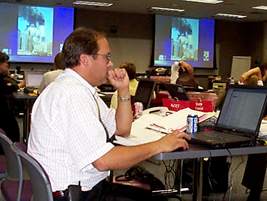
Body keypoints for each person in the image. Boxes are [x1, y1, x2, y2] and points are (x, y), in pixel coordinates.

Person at [27, 27, 191, 201]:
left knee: (153, 191)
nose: (110, 64)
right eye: (107, 57)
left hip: (76, 187)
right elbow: (103, 160)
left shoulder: (78, 89)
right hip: (75, 194)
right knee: (157, 196)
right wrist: (159, 145)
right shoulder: (72, 95)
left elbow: (122, 128)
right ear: (85, 60)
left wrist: (123, 90)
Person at [239, 66, 267, 201]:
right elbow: (257, 71)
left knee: (261, 150)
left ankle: (254, 193)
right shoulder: (263, 86)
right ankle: (253, 191)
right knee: (259, 146)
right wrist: (247, 73)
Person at [0, 52, 21, 142]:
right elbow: (6, 89)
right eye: (6, 63)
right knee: (13, 128)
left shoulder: (2, 77)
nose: (8, 65)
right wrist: (18, 86)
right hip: (2, 115)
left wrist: (6, 74)